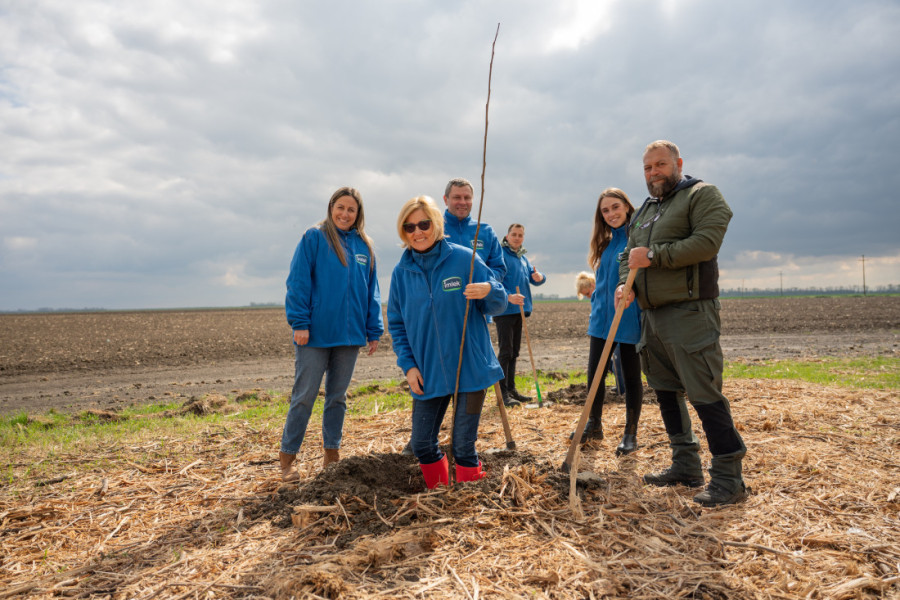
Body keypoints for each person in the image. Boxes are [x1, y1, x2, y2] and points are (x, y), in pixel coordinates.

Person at [616, 140, 747, 506]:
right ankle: (686, 464)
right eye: (647, 168)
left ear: (678, 164)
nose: (653, 172)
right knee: (665, 391)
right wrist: (624, 285)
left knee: (705, 393)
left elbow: (706, 243)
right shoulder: (645, 209)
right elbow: (629, 255)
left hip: (690, 313)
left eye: (660, 165)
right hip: (652, 316)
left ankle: (728, 478)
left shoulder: (703, 195)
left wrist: (655, 256)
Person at [387, 195, 507, 488]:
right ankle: (439, 494)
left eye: (424, 224)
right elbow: (397, 325)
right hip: (427, 372)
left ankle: (470, 504)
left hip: (471, 369)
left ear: (436, 224)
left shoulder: (464, 258)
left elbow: (500, 302)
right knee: (422, 444)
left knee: (464, 449)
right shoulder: (401, 274)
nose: (418, 232)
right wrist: (409, 366)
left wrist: (488, 290)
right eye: (410, 226)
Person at [280, 187, 383, 483]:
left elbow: (371, 291)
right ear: (331, 207)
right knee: (304, 396)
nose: (345, 214)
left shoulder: (365, 246)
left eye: (351, 209)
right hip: (314, 335)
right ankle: (288, 459)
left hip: (349, 337)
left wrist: (373, 329)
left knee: (337, 398)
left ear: (358, 214)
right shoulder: (314, 237)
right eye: (340, 207)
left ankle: (332, 457)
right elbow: (298, 281)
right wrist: (299, 322)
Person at [572, 189, 645, 455]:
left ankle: (631, 432)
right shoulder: (605, 244)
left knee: (630, 375)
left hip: (625, 318)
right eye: (605, 210)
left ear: (627, 207)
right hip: (600, 320)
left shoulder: (636, 240)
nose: (612, 214)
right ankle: (594, 424)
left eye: (616, 207)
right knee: (595, 375)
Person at [494, 223, 546, 406]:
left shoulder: (522, 257)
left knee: (514, 352)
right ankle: (502, 394)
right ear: (507, 236)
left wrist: (540, 277)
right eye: (514, 234)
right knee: (506, 351)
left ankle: (511, 389)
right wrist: (508, 296)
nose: (517, 238)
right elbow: (494, 279)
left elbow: (533, 277)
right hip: (505, 309)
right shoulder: (500, 255)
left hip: (520, 310)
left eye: (520, 235)